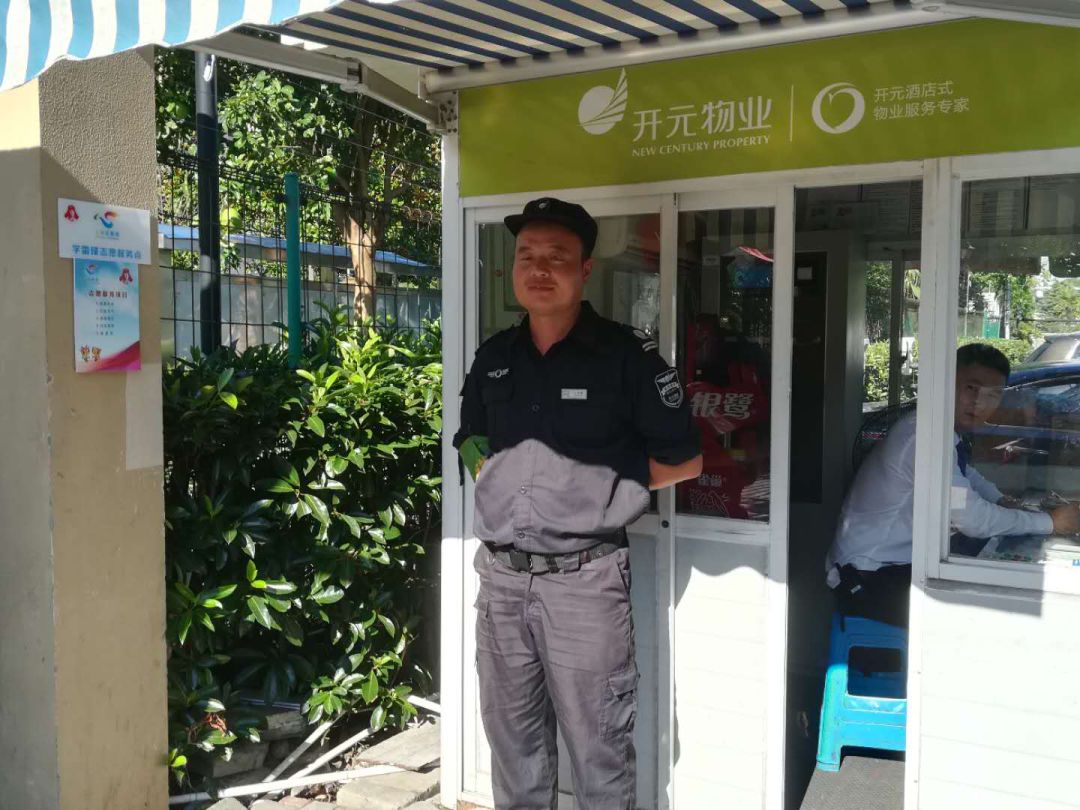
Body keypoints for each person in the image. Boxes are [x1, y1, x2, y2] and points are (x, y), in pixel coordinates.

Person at [453, 197, 703, 810]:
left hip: (585, 584)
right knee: (513, 747)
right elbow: (470, 438)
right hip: (501, 582)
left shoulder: (627, 359)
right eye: (526, 256)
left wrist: (605, 487)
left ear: (585, 269)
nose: (539, 269)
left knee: (599, 751)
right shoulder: (494, 357)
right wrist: (495, 473)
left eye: (556, 257)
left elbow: (685, 460)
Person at [826, 342, 1080, 627]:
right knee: (991, 613)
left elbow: (966, 474)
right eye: (971, 388)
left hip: (893, 565)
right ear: (946, 382)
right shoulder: (923, 435)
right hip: (866, 576)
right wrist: (1050, 523)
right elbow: (972, 520)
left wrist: (999, 499)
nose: (979, 403)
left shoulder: (939, 429)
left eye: (992, 395)